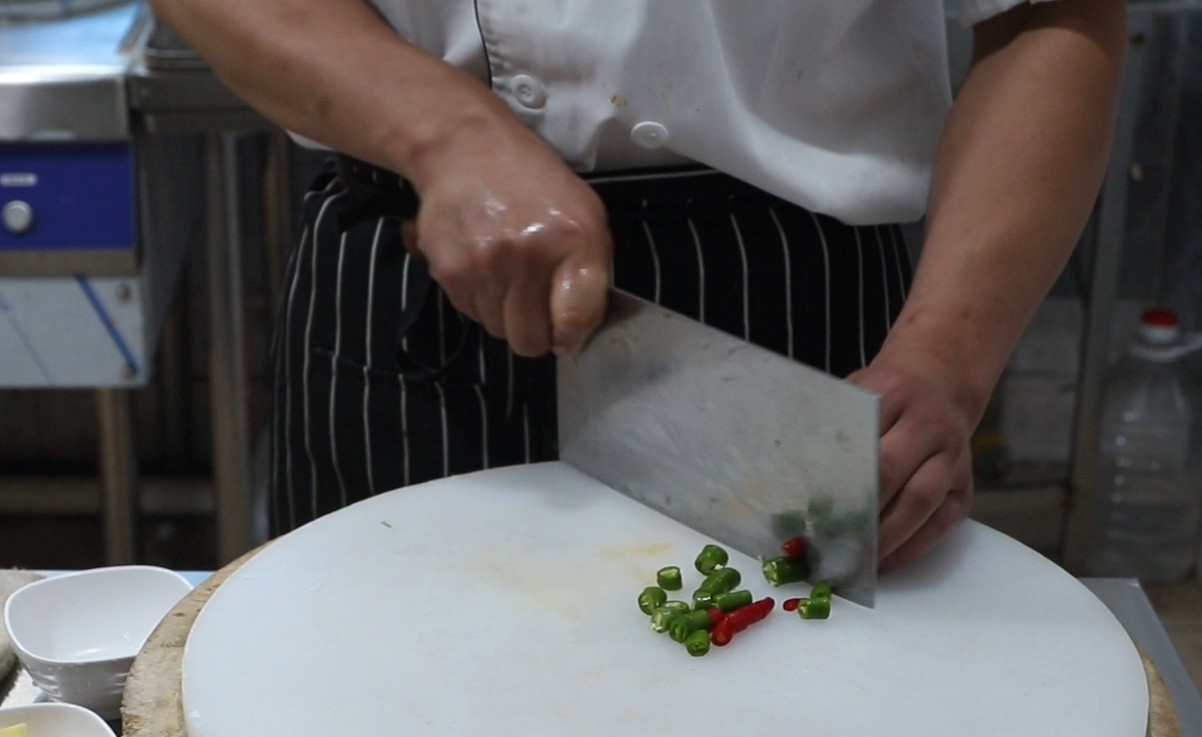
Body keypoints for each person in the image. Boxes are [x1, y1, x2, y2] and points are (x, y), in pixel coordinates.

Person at [149, 0, 1127, 571]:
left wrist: (946, 356)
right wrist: (446, 136)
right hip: (411, 265)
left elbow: (1051, 12)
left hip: (787, 301)